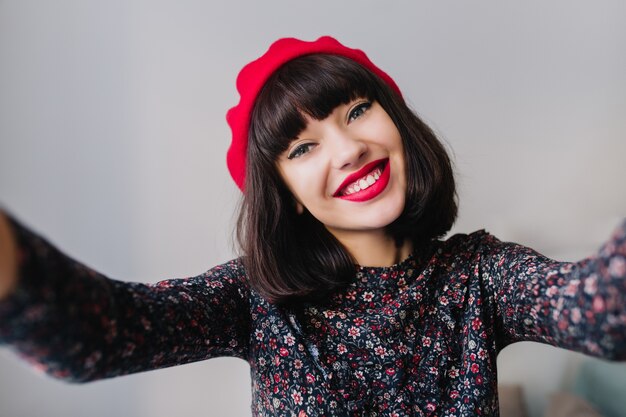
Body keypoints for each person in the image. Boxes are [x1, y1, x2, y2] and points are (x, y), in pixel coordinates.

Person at [0, 35, 625, 417]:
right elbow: (102, 334)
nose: (348, 149)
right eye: (302, 149)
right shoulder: (255, 299)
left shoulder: (481, 274)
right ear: (287, 196)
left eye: (357, 110)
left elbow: (602, 312)